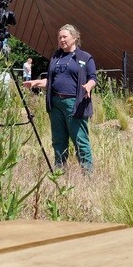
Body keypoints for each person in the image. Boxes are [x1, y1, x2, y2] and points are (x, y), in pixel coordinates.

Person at [23, 24, 96, 172]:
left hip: (74, 104)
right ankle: (60, 171)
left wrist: (88, 86)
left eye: (64, 37)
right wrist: (37, 82)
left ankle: (87, 173)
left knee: (80, 139)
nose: (61, 40)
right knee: (58, 140)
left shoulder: (85, 57)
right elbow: (51, 81)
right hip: (55, 104)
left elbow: (92, 78)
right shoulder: (56, 57)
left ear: (74, 38)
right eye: (59, 37)